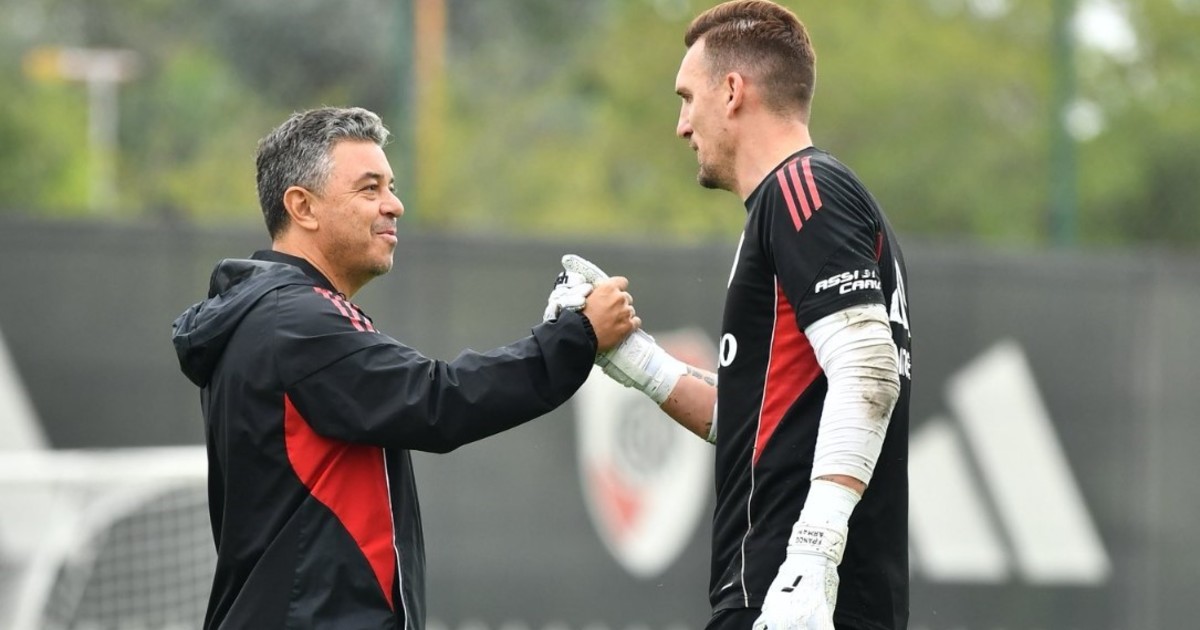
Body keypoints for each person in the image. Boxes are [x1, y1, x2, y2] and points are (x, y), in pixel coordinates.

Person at [170, 106, 638, 630]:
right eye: (369, 188)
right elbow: (441, 400)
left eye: (390, 187)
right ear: (302, 206)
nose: (394, 204)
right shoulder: (295, 319)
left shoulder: (276, 314)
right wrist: (577, 336)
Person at [551, 2, 913, 629]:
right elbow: (760, 417)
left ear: (733, 91)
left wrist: (811, 560)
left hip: (796, 596)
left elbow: (869, 371)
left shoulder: (804, 190)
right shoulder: (794, 201)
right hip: (798, 596)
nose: (681, 125)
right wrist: (632, 358)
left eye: (687, 98)